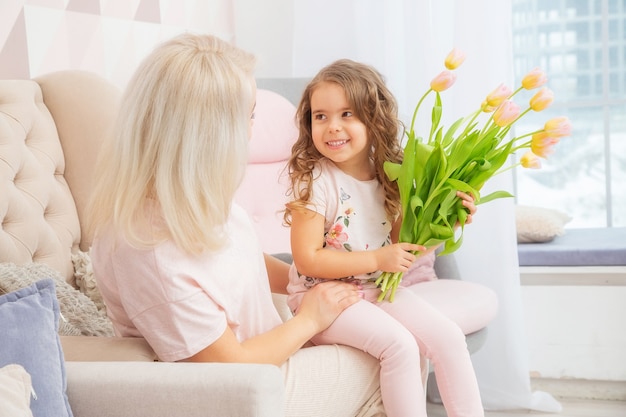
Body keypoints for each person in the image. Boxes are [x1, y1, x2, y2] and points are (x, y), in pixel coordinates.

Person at [85, 33, 386, 417]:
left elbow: (236, 262)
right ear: (211, 134)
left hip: (271, 353)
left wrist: (311, 278)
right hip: (246, 391)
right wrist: (310, 318)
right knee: (394, 352)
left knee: (394, 334)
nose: (250, 130)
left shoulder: (185, 197)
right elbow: (231, 370)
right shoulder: (149, 253)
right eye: (250, 116)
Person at [283, 59, 485, 417]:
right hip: (324, 299)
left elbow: (405, 246)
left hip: (377, 289)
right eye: (321, 116)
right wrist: (378, 259)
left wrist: (449, 222)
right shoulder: (314, 182)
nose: (333, 127)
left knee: (449, 338)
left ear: (373, 119)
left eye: (347, 114)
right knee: (400, 346)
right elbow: (308, 260)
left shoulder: (389, 175)